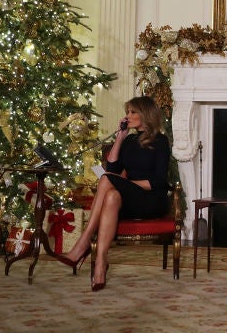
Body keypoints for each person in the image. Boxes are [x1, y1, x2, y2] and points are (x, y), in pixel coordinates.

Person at [58, 96, 170, 291]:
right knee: (111, 196)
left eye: (133, 112)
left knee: (108, 180)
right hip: (128, 198)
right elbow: (112, 167)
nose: (128, 116)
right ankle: (101, 264)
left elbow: (158, 181)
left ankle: (84, 241)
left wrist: (127, 184)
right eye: (128, 112)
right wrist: (120, 137)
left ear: (146, 114)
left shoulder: (160, 141)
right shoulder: (129, 140)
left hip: (151, 200)